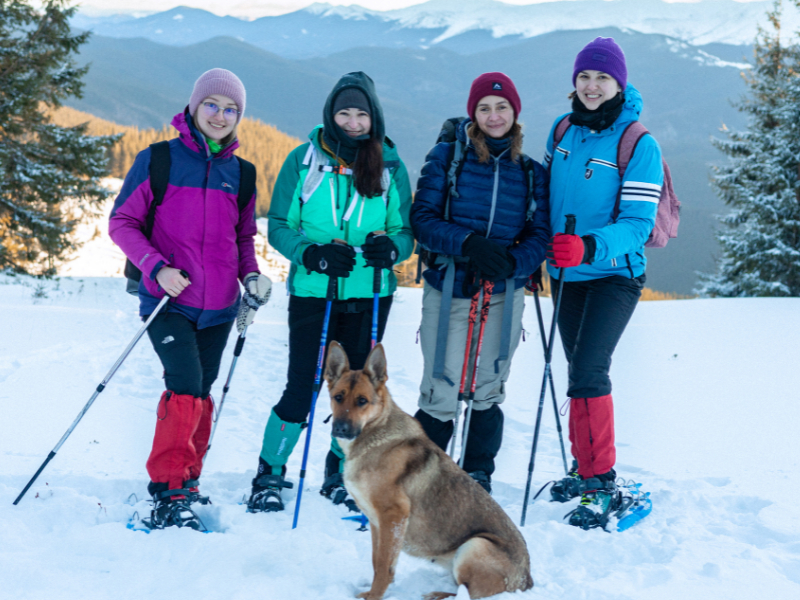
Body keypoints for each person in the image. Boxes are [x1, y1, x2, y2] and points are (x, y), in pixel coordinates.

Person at [109, 68, 270, 529]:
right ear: (195, 107)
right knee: (184, 384)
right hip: (167, 301)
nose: (221, 115)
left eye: (231, 109)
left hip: (219, 306)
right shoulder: (158, 160)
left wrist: (252, 277)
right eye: (213, 105)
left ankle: (189, 478)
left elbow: (242, 239)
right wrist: (157, 268)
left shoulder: (241, 174)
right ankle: (167, 488)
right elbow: (122, 223)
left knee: (201, 391)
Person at [248, 71, 413, 513]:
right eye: (345, 112)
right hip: (315, 290)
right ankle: (270, 471)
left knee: (360, 392)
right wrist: (313, 254)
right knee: (303, 385)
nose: (353, 122)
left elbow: (406, 231)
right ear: (330, 114)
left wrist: (390, 248)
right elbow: (279, 225)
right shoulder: (303, 161)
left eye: (361, 114)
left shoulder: (389, 165)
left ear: (373, 117)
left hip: (370, 290)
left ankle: (340, 474)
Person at [543, 37, 664, 529]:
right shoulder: (563, 130)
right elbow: (544, 198)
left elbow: (638, 223)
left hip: (615, 274)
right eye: (585, 78)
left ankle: (602, 481)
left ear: (619, 83)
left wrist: (590, 246)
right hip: (565, 274)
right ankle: (585, 465)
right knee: (578, 373)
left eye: (603, 78)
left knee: (591, 370)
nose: (592, 87)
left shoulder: (638, 143)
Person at [411, 72, 550, 495]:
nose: (494, 116)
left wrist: (512, 261)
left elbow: (540, 234)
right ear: (473, 113)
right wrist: (470, 244)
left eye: (501, 107)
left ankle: (477, 473)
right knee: (442, 385)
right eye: (485, 108)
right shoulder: (448, 157)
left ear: (515, 113)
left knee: (489, 384)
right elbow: (422, 220)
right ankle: (422, 476)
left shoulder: (530, 173)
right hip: (450, 283)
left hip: (504, 293)